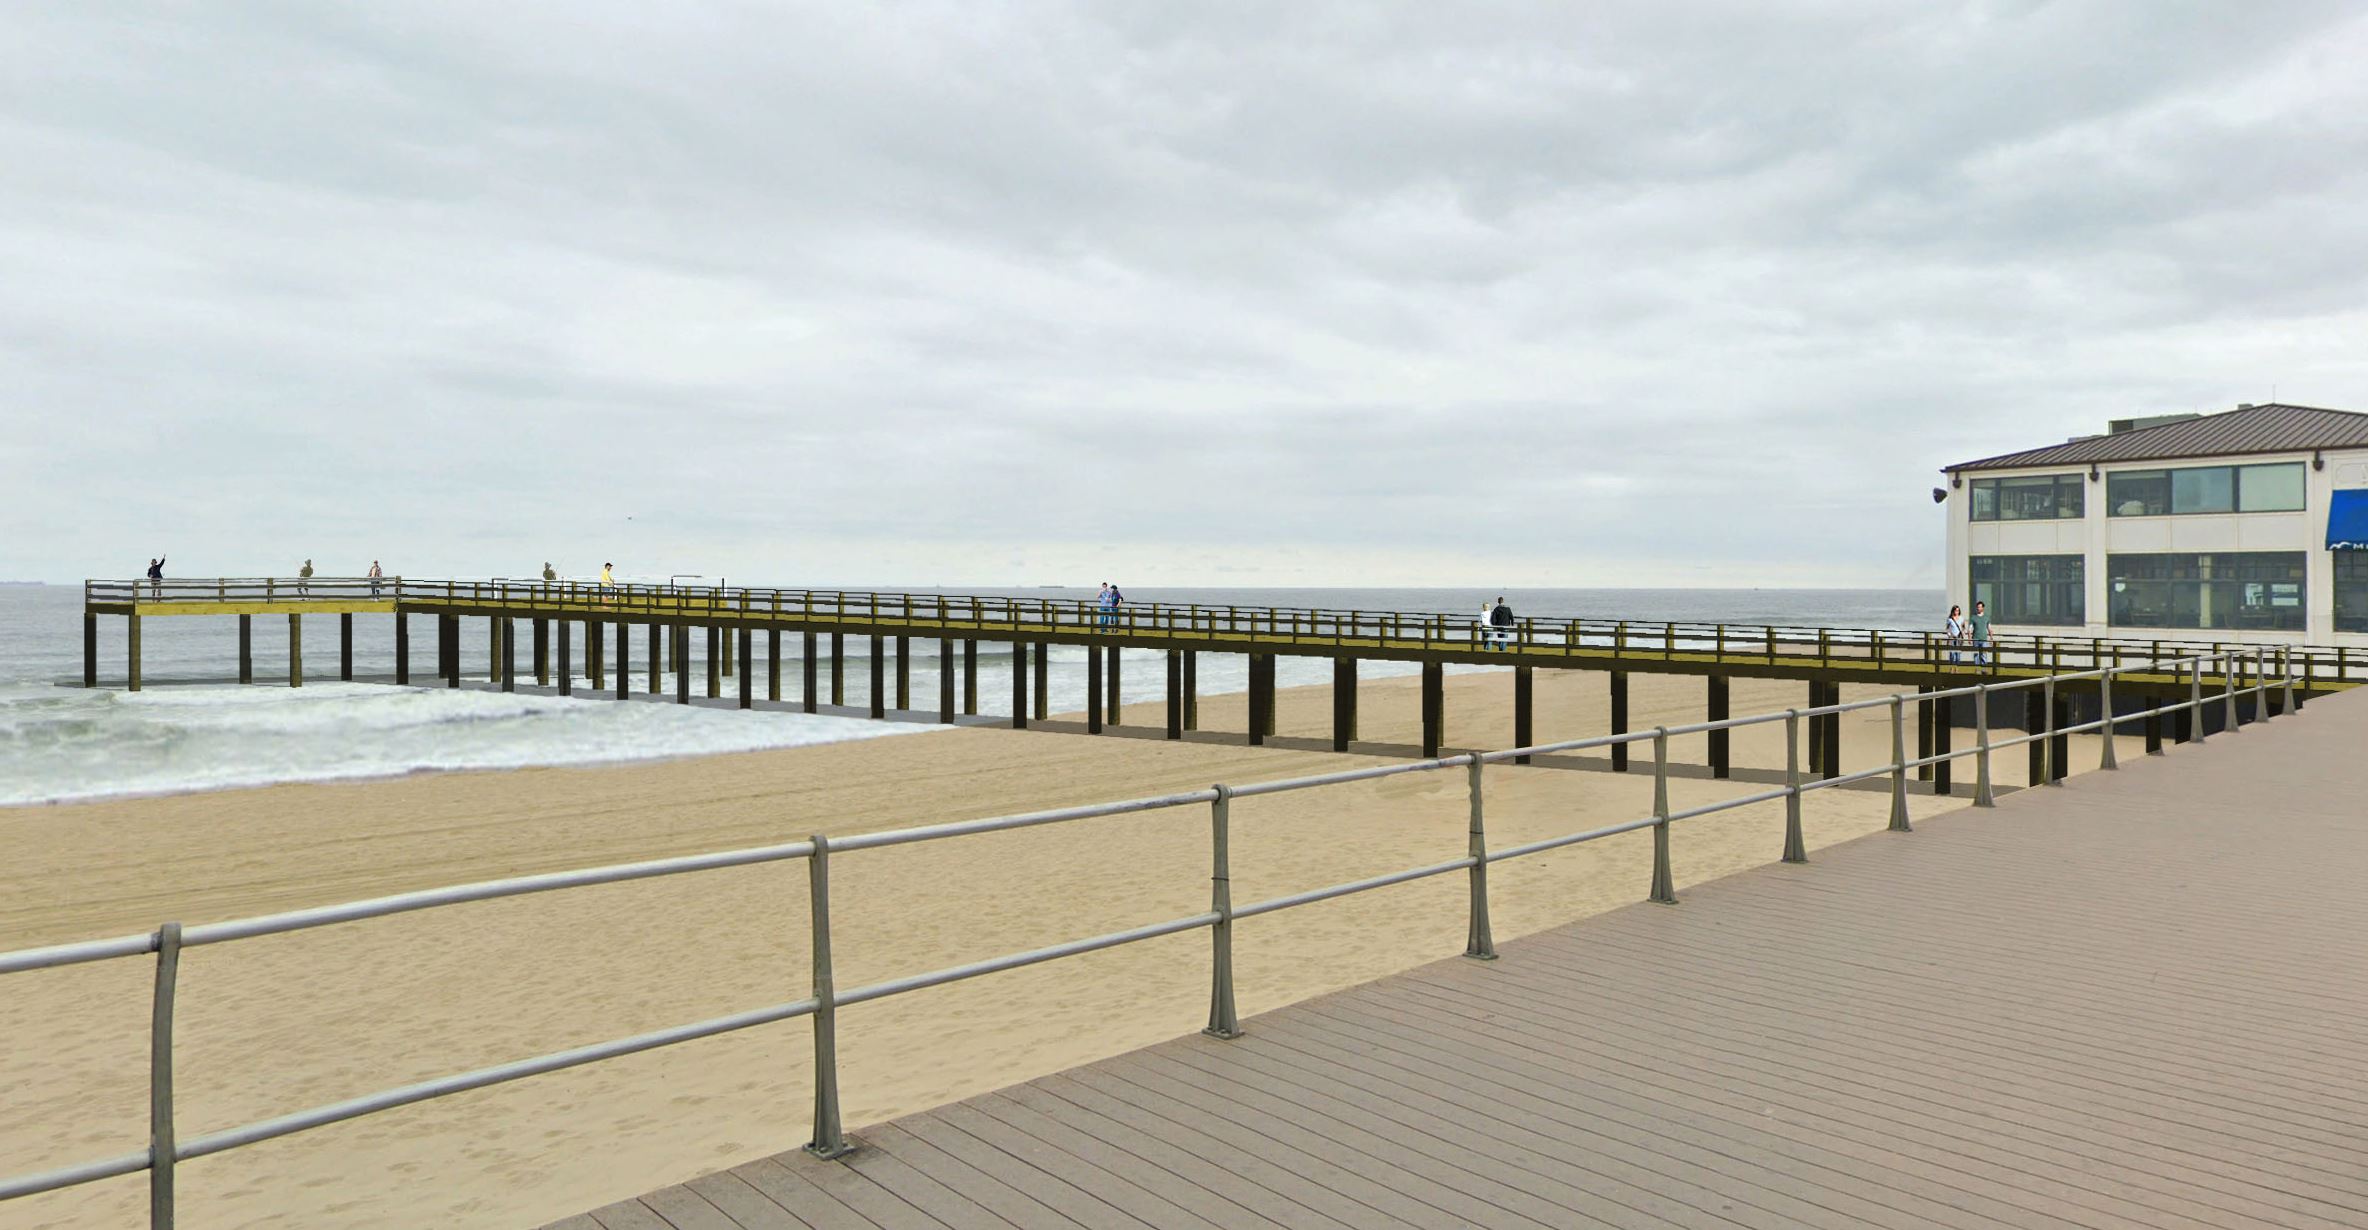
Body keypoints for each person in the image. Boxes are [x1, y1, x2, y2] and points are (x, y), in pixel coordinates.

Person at [1969, 599, 1992, 666]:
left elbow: (1989, 628)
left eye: (1979, 607)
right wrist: (1970, 638)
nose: (1978, 608)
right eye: (1977, 607)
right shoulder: (1973, 617)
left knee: (1983, 654)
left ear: (1982, 608)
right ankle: (1977, 669)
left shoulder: (1986, 617)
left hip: (1984, 639)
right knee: (1976, 655)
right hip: (1975, 639)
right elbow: (1970, 629)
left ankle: (1984, 669)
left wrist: (1991, 638)